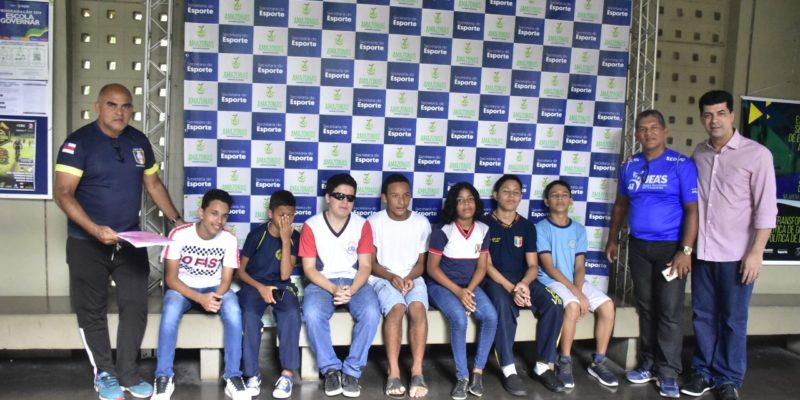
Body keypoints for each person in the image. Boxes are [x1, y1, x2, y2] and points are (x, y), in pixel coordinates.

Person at [54, 83, 183, 400]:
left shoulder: (139, 141)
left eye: (126, 106)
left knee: (135, 305)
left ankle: (128, 373)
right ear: (98, 107)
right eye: (112, 105)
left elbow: (154, 185)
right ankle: (105, 374)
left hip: (129, 240)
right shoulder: (78, 143)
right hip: (86, 243)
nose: (119, 112)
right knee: (92, 310)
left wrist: (177, 222)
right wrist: (95, 229)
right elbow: (63, 194)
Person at [682, 90, 777, 400]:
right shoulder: (699, 153)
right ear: (702, 118)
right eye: (708, 114)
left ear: (732, 115)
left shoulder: (757, 154)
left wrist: (756, 252)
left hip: (737, 255)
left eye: (721, 113)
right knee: (702, 316)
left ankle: (728, 379)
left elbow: (766, 209)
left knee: (733, 320)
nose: (715, 120)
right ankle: (703, 372)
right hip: (704, 252)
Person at [606, 110, 698, 398]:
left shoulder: (681, 164)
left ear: (664, 130)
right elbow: (621, 205)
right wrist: (612, 239)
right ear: (636, 134)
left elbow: (693, 210)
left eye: (654, 127)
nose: (649, 133)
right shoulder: (630, 166)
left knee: (669, 310)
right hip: (639, 247)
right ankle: (647, 363)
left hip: (671, 249)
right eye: (643, 129)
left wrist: (685, 250)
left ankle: (668, 371)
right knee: (646, 307)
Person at [152, 189, 248, 400]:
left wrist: (213, 297)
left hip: (215, 288)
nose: (219, 221)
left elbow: (226, 280)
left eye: (224, 216)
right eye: (214, 213)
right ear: (201, 212)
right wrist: (200, 299)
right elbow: (171, 279)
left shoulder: (229, 240)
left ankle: (233, 376)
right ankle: (163, 377)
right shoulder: (179, 234)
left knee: (234, 310)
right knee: (170, 310)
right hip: (183, 288)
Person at [299, 173, 381, 398]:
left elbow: (366, 266)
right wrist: (334, 289)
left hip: (355, 281)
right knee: (312, 313)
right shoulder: (311, 226)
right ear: (328, 197)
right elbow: (309, 269)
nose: (345, 202)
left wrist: (351, 290)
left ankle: (352, 371)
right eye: (339, 196)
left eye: (350, 198)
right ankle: (331, 370)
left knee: (372, 312)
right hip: (322, 281)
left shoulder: (362, 225)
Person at [483, 174, 566, 395]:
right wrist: (511, 288)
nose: (511, 196)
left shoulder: (527, 226)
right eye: (506, 191)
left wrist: (524, 284)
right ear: (495, 195)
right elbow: (486, 266)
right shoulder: (483, 224)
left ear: (521, 196)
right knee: (502, 306)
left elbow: (533, 265)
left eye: (516, 192)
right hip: (495, 280)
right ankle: (508, 369)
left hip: (523, 281)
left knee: (555, 303)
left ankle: (543, 366)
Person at [536, 180, 619, 389]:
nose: (560, 198)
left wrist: (579, 290)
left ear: (571, 200)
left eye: (564, 194)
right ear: (546, 201)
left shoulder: (579, 229)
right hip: (550, 281)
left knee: (608, 305)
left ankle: (598, 362)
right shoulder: (540, 228)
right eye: (554, 195)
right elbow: (549, 267)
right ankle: (564, 361)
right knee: (572, 305)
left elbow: (580, 266)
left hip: (574, 281)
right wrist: (576, 294)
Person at [427, 182, 498, 400]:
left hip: (469, 286)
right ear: (453, 205)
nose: (466, 204)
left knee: (490, 316)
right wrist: (459, 292)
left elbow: (482, 267)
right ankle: (462, 377)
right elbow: (432, 268)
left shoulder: (483, 229)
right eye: (460, 200)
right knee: (459, 317)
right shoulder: (443, 230)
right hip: (442, 286)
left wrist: (468, 290)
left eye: (470, 199)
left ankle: (477, 372)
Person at [367, 174, 432, 398]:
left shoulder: (421, 223)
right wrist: (392, 277)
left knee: (417, 308)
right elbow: (371, 263)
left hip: (413, 276)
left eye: (406, 196)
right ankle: (393, 372)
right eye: (395, 196)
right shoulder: (374, 222)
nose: (401, 201)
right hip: (383, 277)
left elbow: (422, 264)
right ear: (385, 197)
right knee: (396, 308)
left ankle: (417, 371)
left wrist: (409, 278)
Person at [237, 190, 301, 399]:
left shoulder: (295, 237)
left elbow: (285, 275)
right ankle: (251, 374)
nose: (286, 220)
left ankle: (287, 374)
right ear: (270, 213)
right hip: (255, 285)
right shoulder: (257, 235)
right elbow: (241, 272)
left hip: (280, 285)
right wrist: (260, 288)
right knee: (249, 316)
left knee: (291, 313)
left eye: (291, 215)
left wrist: (285, 241)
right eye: (282, 215)